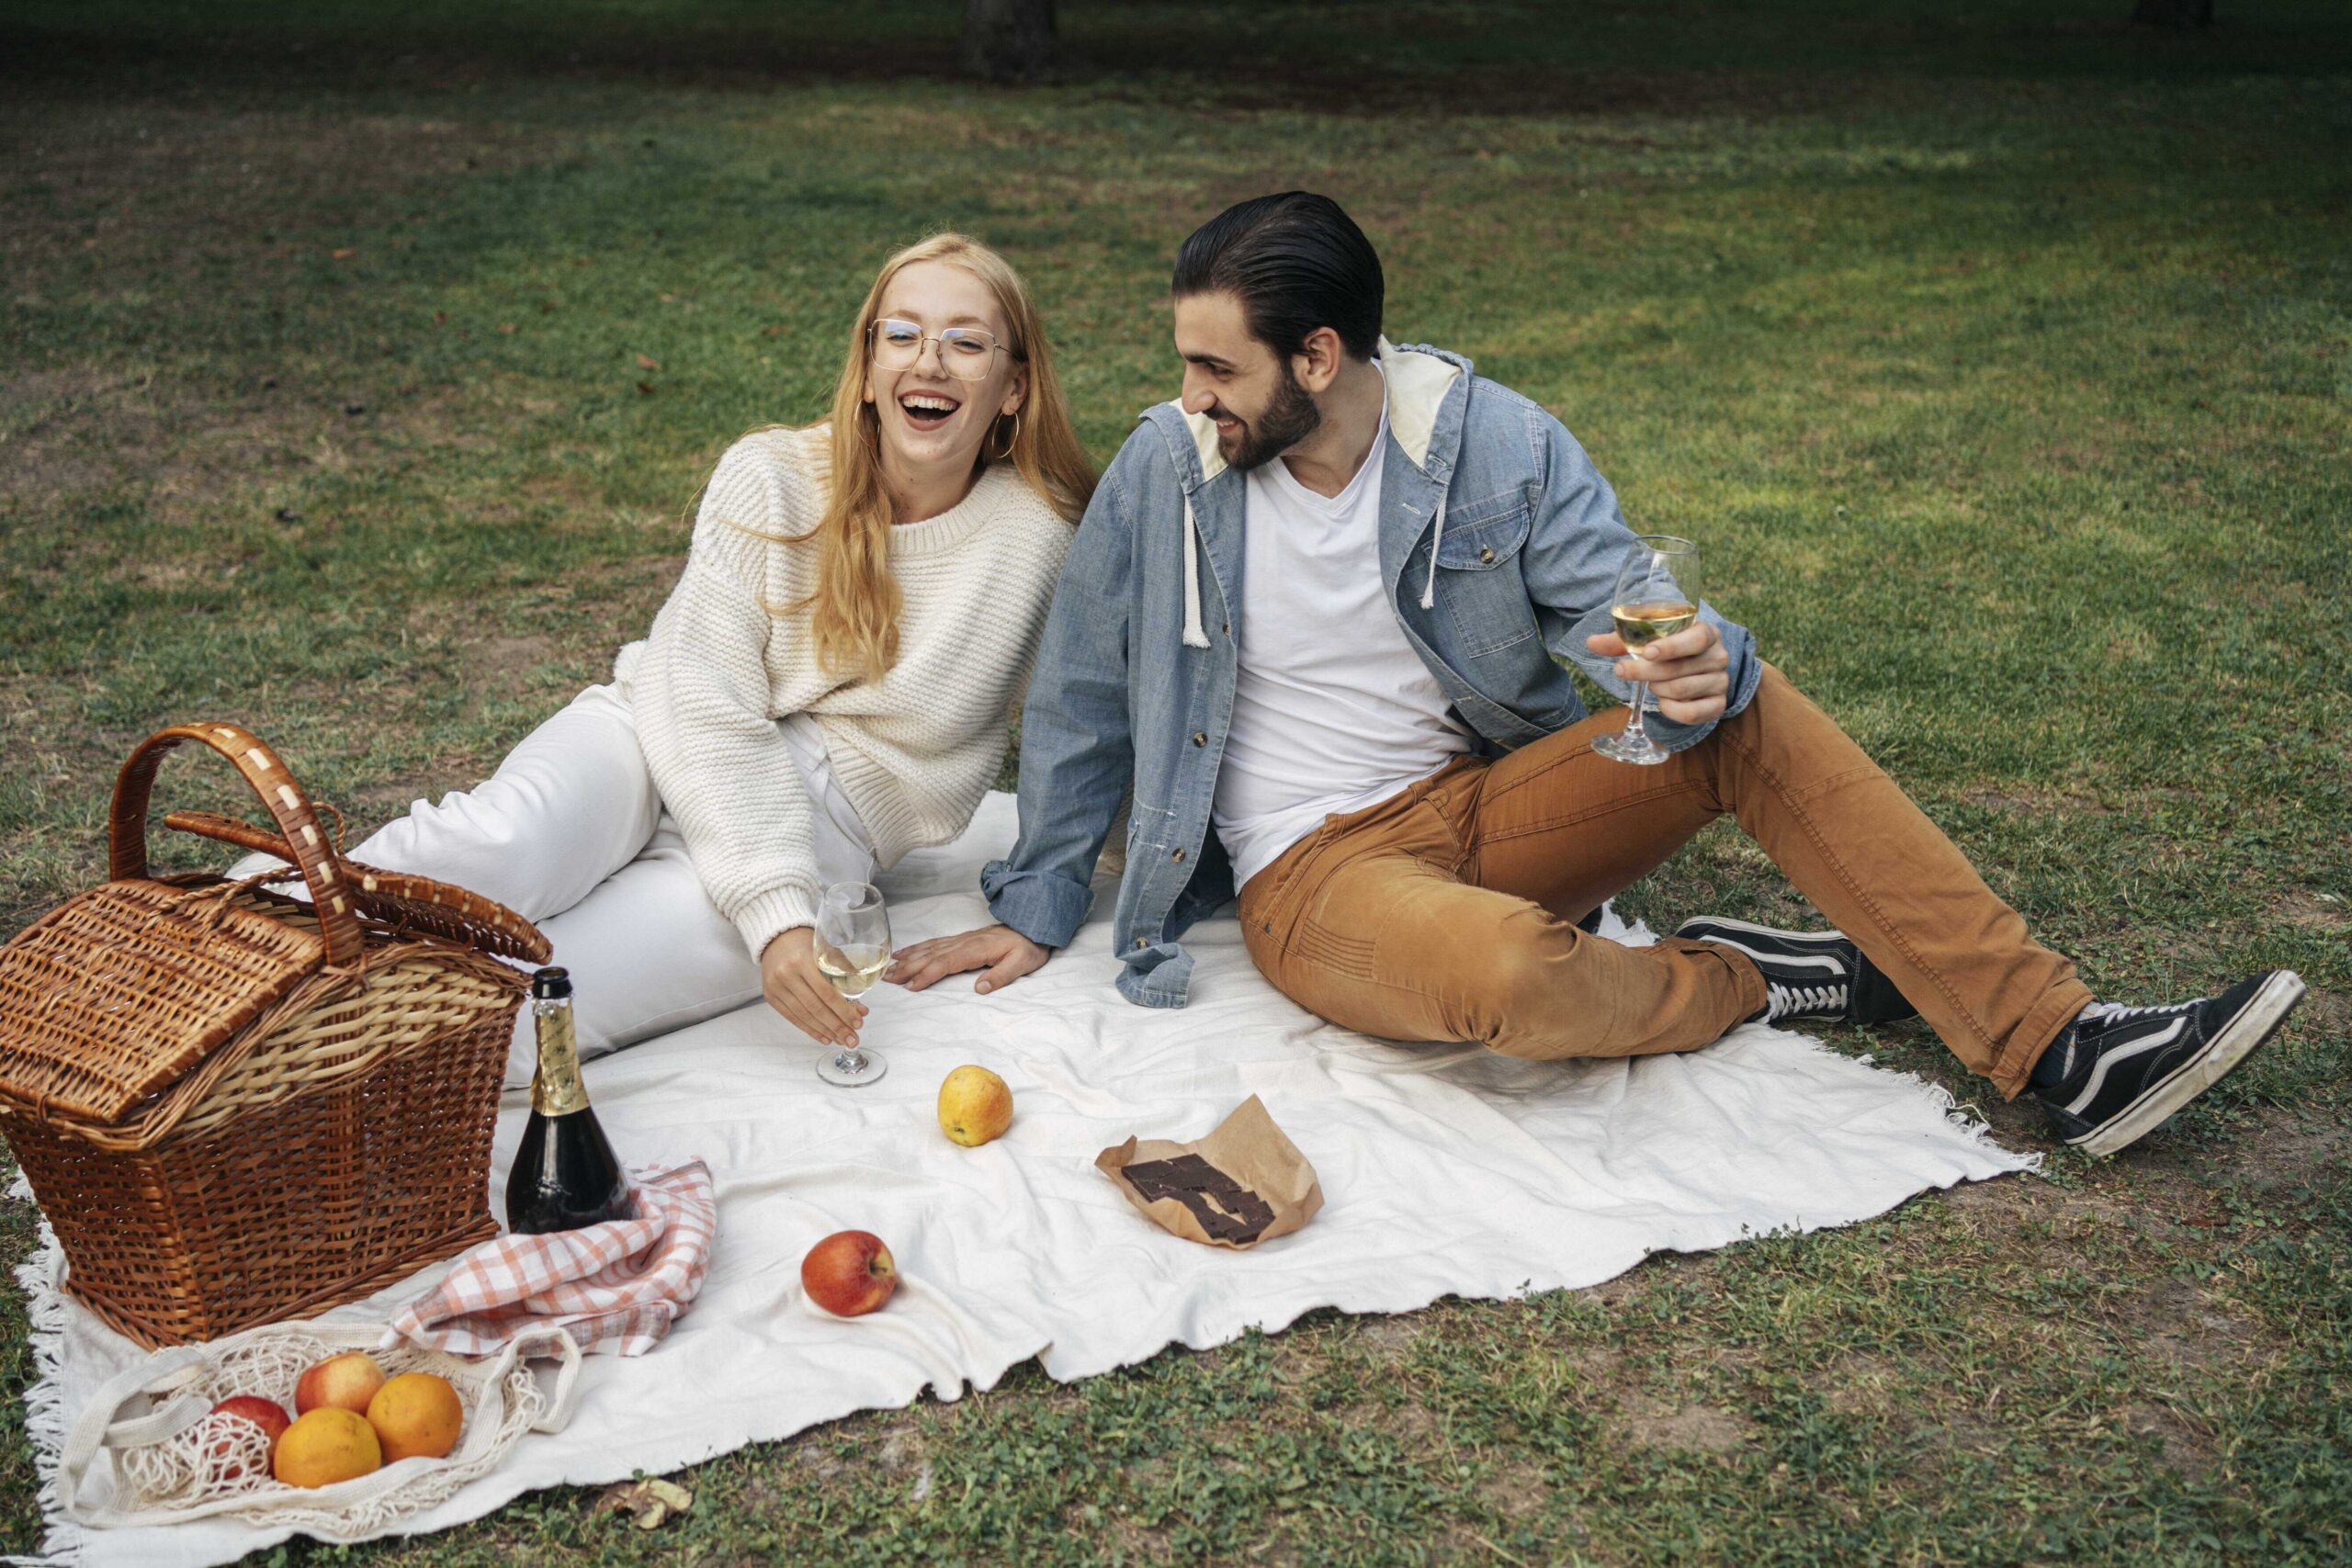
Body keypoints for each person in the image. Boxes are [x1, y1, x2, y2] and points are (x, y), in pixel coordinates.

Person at [891, 193, 2303, 1158]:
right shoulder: (1170, 465)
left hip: (1488, 805)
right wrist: (1035, 900)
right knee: (1513, 975)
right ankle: (1740, 976)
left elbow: (1624, 608)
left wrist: (1687, 654)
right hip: (1311, 872)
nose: (1191, 394)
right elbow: (1080, 691)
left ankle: (2061, 1041)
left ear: (1318, 357)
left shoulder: (1495, 442)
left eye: (1216, 367)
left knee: (1739, 700)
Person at [238, 232, 1094, 1073]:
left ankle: (272, 1063)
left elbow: (1106, 714)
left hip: (824, 826)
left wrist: (1042, 908)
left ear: (1013, 387)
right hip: (657, 732)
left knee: (531, 1001)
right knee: (495, 847)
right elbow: (702, 691)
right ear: (868, 368)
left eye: (966, 342)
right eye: (901, 334)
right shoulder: (774, 475)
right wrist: (771, 905)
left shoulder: (1044, 536)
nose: (929, 362)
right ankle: (196, 940)